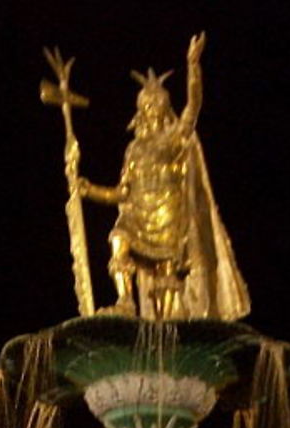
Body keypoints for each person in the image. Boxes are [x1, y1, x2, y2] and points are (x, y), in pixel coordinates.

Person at [77, 33, 249, 321]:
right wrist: (89, 189)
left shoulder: (173, 139)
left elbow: (192, 111)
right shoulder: (134, 149)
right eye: (146, 105)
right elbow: (121, 192)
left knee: (167, 271)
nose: (151, 110)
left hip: (169, 214)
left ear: (163, 107)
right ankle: (125, 302)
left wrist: (193, 66)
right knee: (118, 238)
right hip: (137, 213)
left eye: (156, 104)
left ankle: (168, 325)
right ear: (141, 111)